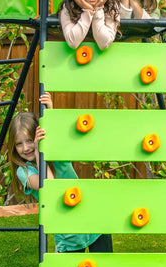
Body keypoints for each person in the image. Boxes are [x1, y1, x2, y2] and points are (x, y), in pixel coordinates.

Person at [9, 92, 113, 253]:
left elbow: (56, 132)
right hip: (67, 229)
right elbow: (50, 186)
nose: (26, 148)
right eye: (19, 144)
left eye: (30, 140)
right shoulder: (24, 172)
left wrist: (50, 109)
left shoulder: (56, 153)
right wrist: (38, 150)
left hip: (92, 218)